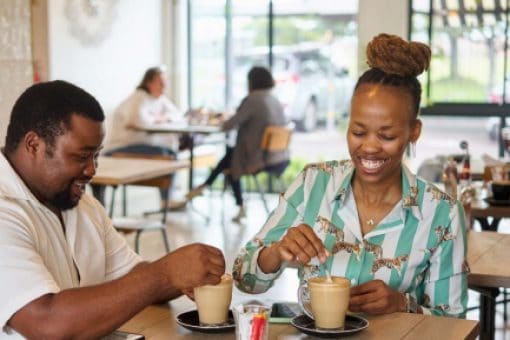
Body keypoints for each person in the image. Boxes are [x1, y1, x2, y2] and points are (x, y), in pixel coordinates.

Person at [232, 34, 468, 317]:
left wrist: (401, 304)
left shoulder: (441, 213)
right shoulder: (313, 185)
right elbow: (244, 279)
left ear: (413, 131)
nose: (368, 147)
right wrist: (276, 252)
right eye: (358, 132)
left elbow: (453, 322)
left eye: (387, 135)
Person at [0, 80, 226, 339]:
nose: (92, 170)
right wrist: (164, 274)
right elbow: (46, 323)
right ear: (33, 145)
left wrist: (181, 273)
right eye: (81, 156)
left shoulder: (81, 205)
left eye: (96, 156)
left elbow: (133, 277)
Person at [186, 66, 289, 222]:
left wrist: (220, 119)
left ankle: (210, 190)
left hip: (259, 159)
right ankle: (206, 188)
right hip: (279, 157)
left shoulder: (253, 99)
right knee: (231, 156)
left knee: (232, 160)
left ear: (252, 82)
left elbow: (229, 125)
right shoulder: (274, 99)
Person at [94, 66, 185, 210]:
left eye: (165, 82)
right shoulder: (139, 98)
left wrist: (158, 118)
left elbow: (178, 116)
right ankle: (166, 200)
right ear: (149, 83)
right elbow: (140, 122)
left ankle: (166, 200)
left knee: (170, 155)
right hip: (122, 147)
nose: (164, 86)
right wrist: (160, 118)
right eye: (161, 82)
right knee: (169, 156)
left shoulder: (159, 99)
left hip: (143, 145)